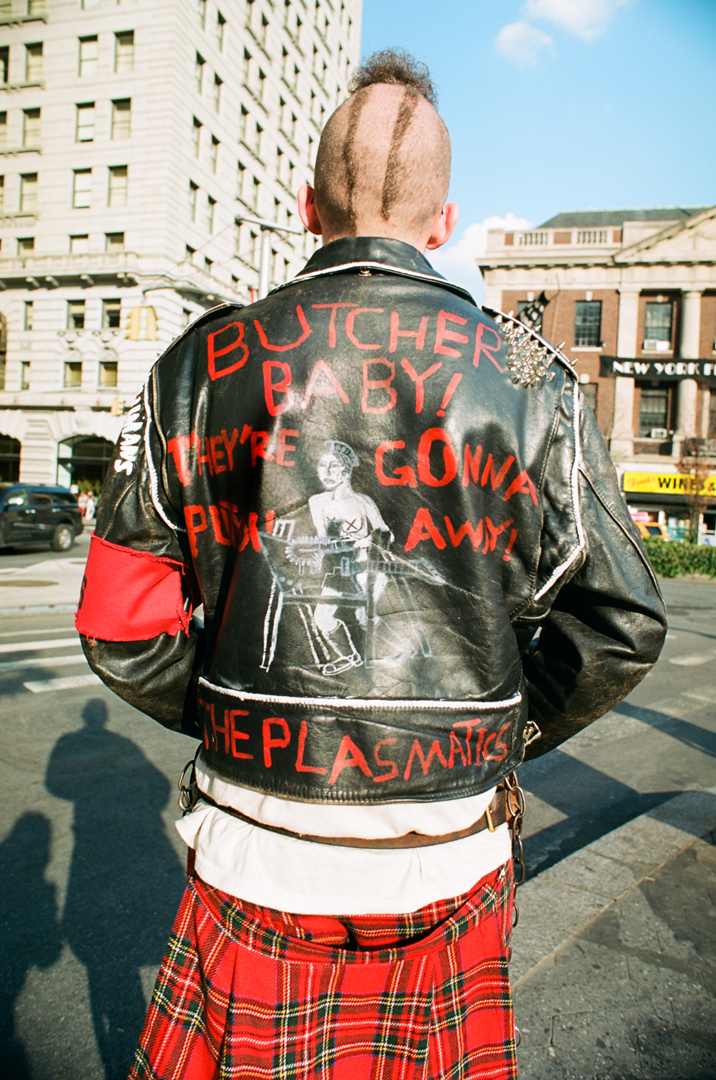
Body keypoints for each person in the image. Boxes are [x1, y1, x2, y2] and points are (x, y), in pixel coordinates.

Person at [76, 50, 666, 1080]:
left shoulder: (197, 363)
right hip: (450, 855)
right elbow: (621, 621)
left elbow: (120, 619)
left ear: (308, 207)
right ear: (444, 224)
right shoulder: (530, 376)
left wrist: (229, 715)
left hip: (253, 852)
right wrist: (499, 731)